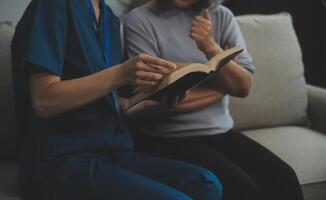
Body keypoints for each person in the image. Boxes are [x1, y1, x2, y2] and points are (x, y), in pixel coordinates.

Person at [11, 0, 223, 199]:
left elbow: (110, 102)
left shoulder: (109, 20)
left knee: (206, 183)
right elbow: (43, 100)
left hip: (113, 151)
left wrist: (154, 101)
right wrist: (120, 74)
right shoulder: (53, 5)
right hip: (59, 161)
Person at [124, 0, 304, 200]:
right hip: (167, 137)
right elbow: (163, 98)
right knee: (243, 189)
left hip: (220, 131)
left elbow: (243, 87)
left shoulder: (221, 16)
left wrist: (210, 47)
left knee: (284, 178)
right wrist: (222, 87)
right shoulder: (139, 20)